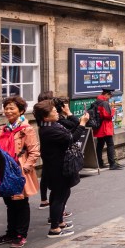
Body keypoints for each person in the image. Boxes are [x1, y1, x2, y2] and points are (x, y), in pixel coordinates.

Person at [35, 99, 90, 237]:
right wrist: (83, 123)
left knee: (61, 194)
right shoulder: (49, 129)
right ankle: (54, 228)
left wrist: (71, 116)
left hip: (60, 165)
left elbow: (71, 127)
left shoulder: (51, 124)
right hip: (58, 167)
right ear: (46, 116)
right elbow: (71, 138)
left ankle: (59, 221)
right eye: (53, 111)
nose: (56, 112)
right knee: (58, 196)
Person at [0, 95, 41, 248]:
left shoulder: (26, 129)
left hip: (19, 171)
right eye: (6, 108)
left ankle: (21, 234)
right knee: (9, 202)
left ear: (21, 111)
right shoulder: (5, 129)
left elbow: (34, 151)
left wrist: (26, 167)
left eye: (12, 108)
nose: (8, 111)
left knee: (20, 203)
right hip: (6, 171)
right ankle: (11, 232)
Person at [92, 88, 123, 170]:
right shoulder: (104, 103)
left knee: (100, 145)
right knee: (110, 144)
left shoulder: (97, 101)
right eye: (110, 95)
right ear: (106, 94)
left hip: (99, 127)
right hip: (105, 127)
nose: (110, 97)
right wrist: (113, 110)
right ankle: (112, 164)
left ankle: (100, 163)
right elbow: (107, 115)